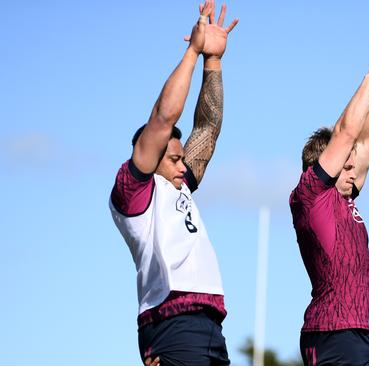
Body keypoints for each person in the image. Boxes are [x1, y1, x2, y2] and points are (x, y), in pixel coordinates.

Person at [108, 1, 238, 364]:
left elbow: (208, 130)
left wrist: (214, 61)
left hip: (210, 322)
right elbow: (164, 116)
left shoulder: (178, 185)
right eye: (174, 159)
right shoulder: (134, 192)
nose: (185, 166)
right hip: (171, 320)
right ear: (148, 156)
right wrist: (193, 51)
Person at [289, 41, 369, 366]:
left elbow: (367, 141)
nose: (355, 170)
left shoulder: (345, 195)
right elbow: (347, 133)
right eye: (345, 165)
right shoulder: (312, 195)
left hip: (356, 333)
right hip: (331, 333)